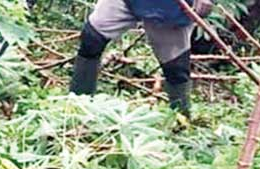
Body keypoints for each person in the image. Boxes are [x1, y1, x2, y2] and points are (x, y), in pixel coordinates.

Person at [70, 0, 215, 114]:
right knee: (92, 38)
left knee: (176, 69)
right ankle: (78, 107)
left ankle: (181, 123)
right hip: (128, 1)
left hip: (170, 12)